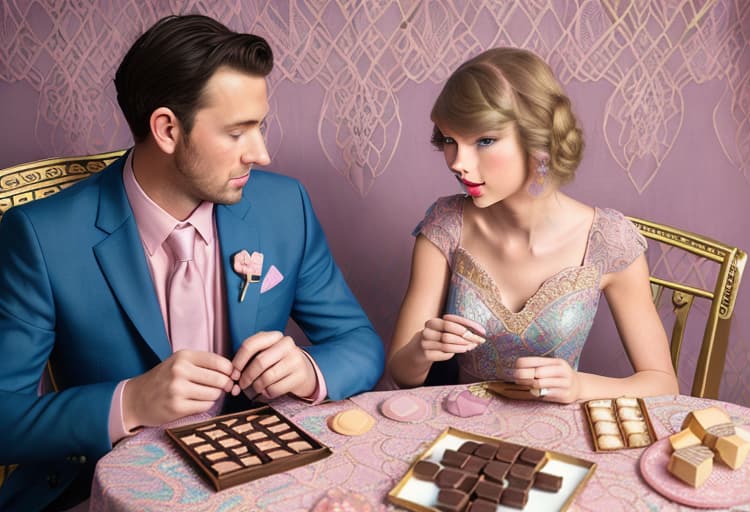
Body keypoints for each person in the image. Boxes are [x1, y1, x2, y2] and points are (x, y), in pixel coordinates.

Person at [0, 14, 384, 511]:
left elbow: (359, 343)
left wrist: (309, 369)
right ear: (166, 129)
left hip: (262, 480)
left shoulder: (285, 207)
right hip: (104, 490)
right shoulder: (40, 236)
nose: (262, 153)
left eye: (260, 127)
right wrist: (131, 401)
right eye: (237, 132)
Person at [387, 48, 678, 403]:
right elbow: (402, 375)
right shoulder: (445, 226)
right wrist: (422, 350)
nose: (458, 163)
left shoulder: (607, 241)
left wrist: (580, 386)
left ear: (538, 139)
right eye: (450, 140)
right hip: (462, 431)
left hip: (561, 440)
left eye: (484, 140)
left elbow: (664, 385)